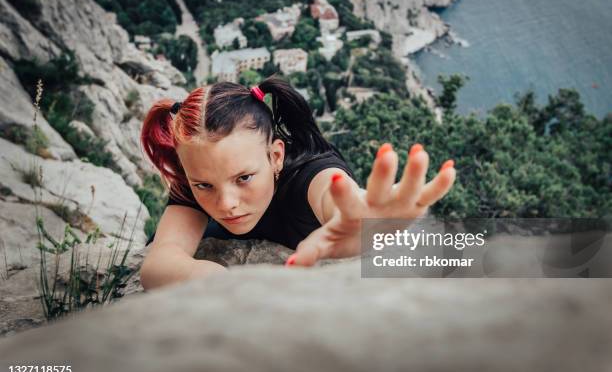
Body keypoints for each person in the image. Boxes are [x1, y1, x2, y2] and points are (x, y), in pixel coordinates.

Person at [139, 76, 456, 290]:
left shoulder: (310, 173)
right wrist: (217, 282)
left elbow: (336, 197)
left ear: (276, 156)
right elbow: (158, 262)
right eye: (204, 185)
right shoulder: (195, 176)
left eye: (244, 178)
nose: (226, 203)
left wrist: (367, 221)